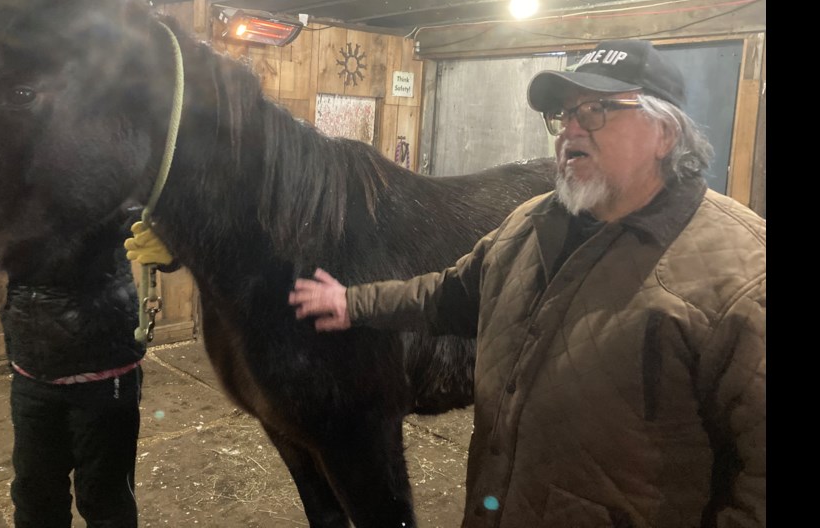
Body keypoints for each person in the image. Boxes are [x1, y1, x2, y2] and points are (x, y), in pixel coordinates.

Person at [289, 39, 765, 528]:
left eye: (596, 110)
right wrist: (352, 301)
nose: (570, 130)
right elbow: (447, 294)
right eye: (564, 114)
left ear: (665, 132)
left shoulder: (740, 274)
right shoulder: (530, 226)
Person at [1, 208, 146, 528]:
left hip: (105, 371)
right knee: (35, 496)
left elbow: (149, 221)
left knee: (106, 497)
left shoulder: (104, 174)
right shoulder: (9, 185)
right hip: (33, 371)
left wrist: (166, 247)